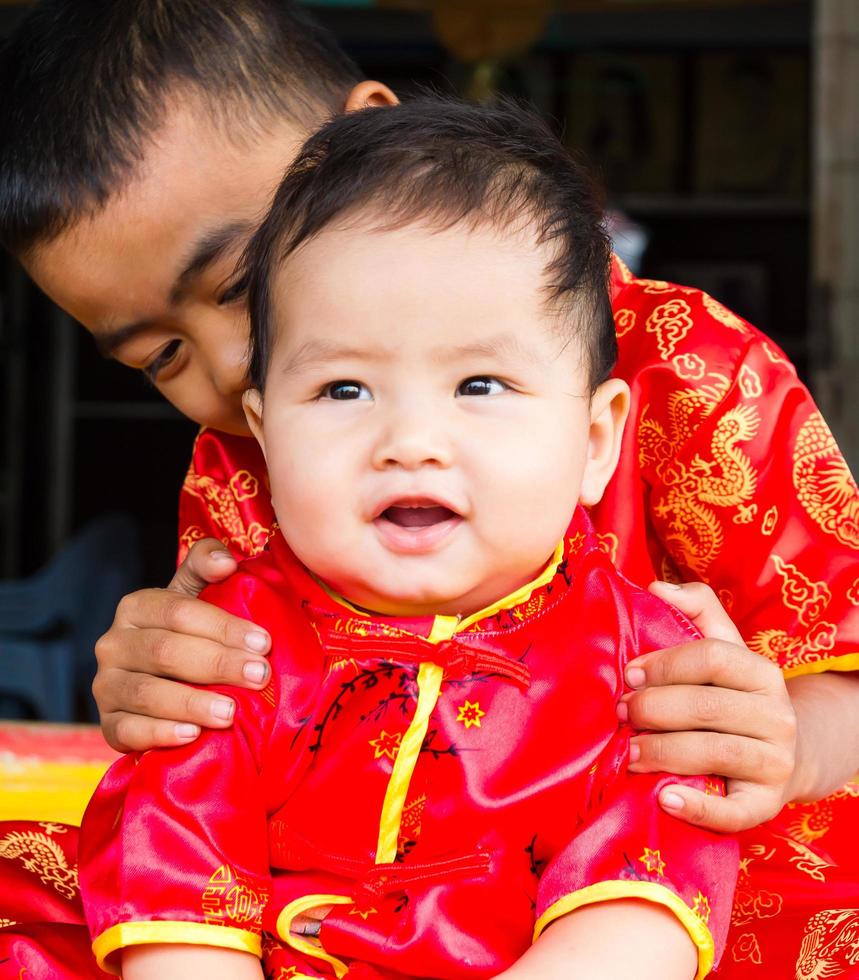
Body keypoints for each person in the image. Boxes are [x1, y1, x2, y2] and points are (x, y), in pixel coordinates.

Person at [0, 1, 856, 974]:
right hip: (364, 896)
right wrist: (162, 684)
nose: (238, 367)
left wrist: (786, 743)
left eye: (241, 284)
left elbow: (846, 663)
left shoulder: (689, 369)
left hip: (661, 871)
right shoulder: (249, 442)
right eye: (163, 355)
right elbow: (222, 749)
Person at [79, 96, 737, 980]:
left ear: (593, 443)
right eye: (345, 391)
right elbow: (178, 875)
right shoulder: (233, 647)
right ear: (265, 437)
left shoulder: (648, 660)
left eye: (480, 384)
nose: (410, 441)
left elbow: (644, 894)